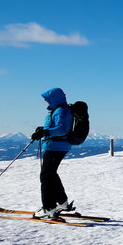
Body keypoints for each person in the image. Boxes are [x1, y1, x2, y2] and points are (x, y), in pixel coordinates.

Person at [31, 87, 76, 219]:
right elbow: (57, 127)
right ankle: (62, 202)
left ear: (54, 98)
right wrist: (44, 128)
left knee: (46, 177)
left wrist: (44, 132)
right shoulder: (60, 110)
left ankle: (48, 208)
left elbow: (62, 129)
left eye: (47, 99)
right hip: (58, 146)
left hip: (55, 146)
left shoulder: (61, 110)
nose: (45, 101)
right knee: (50, 174)